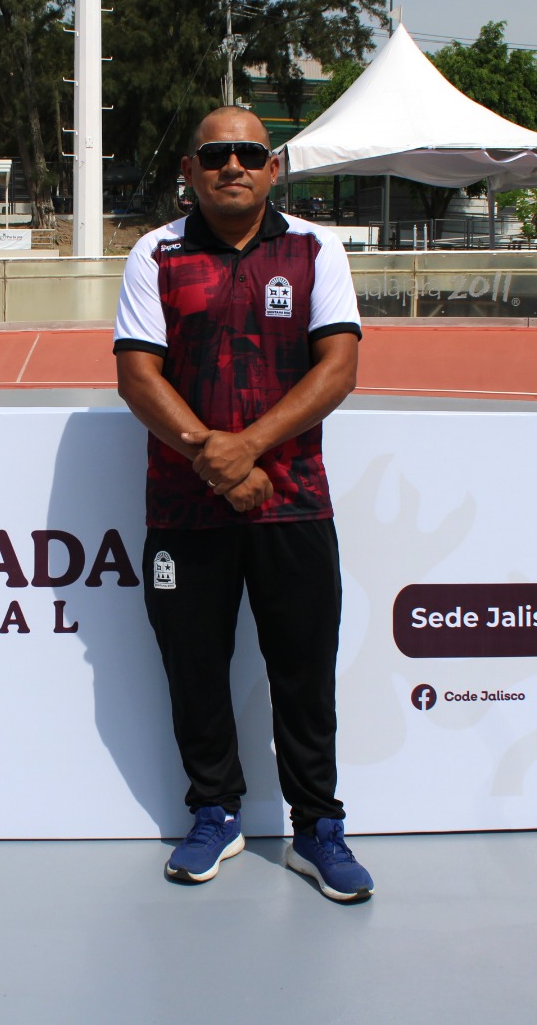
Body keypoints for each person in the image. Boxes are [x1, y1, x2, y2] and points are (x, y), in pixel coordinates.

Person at [113, 106, 373, 903]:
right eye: (216, 153)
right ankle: (214, 812)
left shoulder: (315, 249)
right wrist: (218, 463)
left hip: (293, 504)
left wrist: (248, 447)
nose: (234, 165)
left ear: (273, 170)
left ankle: (317, 826)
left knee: (305, 671)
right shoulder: (156, 253)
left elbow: (338, 369)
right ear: (189, 170)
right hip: (184, 510)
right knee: (193, 668)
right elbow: (138, 378)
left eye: (250, 154)